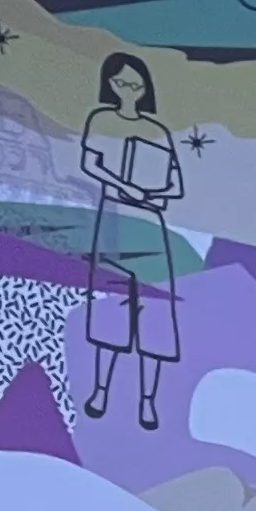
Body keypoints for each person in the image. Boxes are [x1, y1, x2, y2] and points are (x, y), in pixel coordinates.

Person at [80, 53, 186, 431]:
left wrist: (155, 195)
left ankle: (148, 402)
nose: (129, 91)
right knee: (111, 309)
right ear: (110, 84)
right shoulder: (101, 119)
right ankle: (100, 391)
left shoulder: (158, 130)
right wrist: (125, 186)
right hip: (116, 217)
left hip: (150, 222)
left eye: (136, 85)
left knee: (156, 315)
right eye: (122, 83)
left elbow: (176, 183)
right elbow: (90, 163)